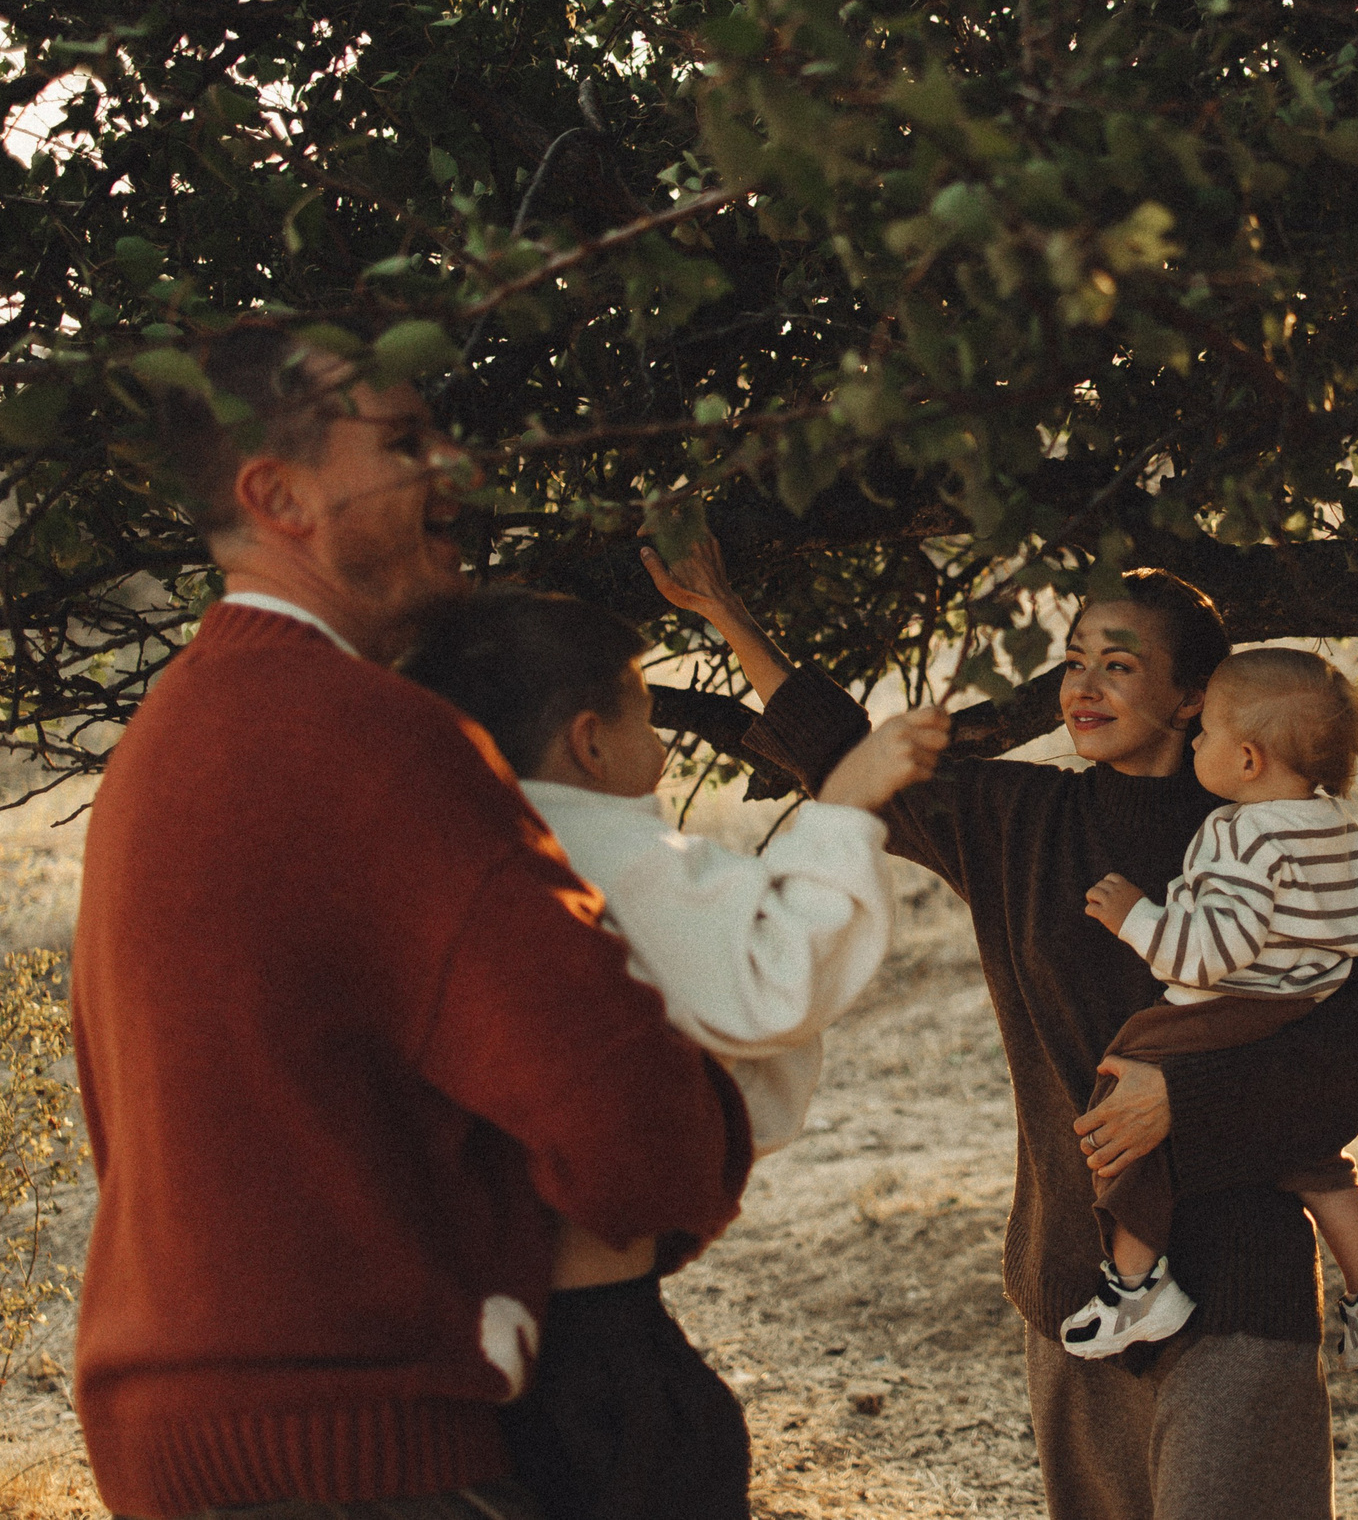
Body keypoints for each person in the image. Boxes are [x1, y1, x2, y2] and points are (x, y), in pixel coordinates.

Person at [71, 324, 747, 1520]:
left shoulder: (163, 738)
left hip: (178, 1448)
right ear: (279, 496)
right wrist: (718, 1126)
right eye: (404, 441)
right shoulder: (375, 740)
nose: (453, 465)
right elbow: (639, 1134)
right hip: (361, 1455)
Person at [647, 538, 1358, 1520]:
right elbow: (848, 757)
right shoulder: (1020, 821)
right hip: (1074, 1290)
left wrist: (1183, 1097)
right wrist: (726, 613)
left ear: (1192, 698)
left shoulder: (1261, 829)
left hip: (1237, 1293)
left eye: (1118, 665)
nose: (1082, 687)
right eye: (1075, 659)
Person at [398, 584, 950, 1520]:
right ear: (589, 741)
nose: (661, 747)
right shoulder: (600, 847)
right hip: (593, 1328)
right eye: (648, 717)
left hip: (486, 1319)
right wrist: (844, 807)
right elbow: (771, 978)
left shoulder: (459, 846)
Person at [1067, 647, 1358, 1370]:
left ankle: (1137, 1286)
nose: (1195, 743)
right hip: (1307, 1007)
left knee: (1123, 1110)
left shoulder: (1242, 833)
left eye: (1206, 734)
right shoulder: (1340, 831)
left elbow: (1208, 953)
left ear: (1249, 759)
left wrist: (1135, 917)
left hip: (1223, 1009)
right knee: (1318, 1161)